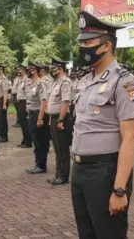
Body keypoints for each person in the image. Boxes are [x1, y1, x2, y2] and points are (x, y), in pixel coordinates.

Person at [71, 11, 134, 239]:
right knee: (87, 234)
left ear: (106, 45)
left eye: (88, 42)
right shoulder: (86, 80)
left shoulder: (123, 81)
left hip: (105, 172)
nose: (83, 47)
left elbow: (130, 138)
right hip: (80, 170)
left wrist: (119, 189)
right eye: (81, 42)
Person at [47, 57, 73, 186]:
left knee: (63, 148)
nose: (52, 70)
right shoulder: (55, 82)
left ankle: (63, 176)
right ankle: (58, 173)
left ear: (60, 69)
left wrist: (61, 120)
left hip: (61, 118)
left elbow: (65, 102)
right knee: (57, 148)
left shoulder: (65, 82)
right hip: (54, 118)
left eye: (54, 68)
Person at [26, 61, 50, 174]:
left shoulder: (41, 84)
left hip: (37, 114)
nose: (27, 71)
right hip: (32, 113)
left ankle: (41, 165)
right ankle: (38, 163)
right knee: (35, 140)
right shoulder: (31, 84)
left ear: (35, 70)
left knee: (40, 141)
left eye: (29, 69)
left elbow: (43, 101)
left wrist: (40, 118)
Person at [16, 65, 32, 148]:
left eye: (19, 70)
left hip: (24, 102)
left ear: (23, 70)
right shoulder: (20, 80)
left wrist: (27, 106)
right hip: (20, 103)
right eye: (17, 70)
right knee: (22, 123)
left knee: (25, 123)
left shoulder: (27, 80)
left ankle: (28, 141)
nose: (18, 71)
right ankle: (24, 139)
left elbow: (28, 94)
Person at [0, 64, 10, 142]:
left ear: (1, 69)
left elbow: (5, 92)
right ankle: (1, 135)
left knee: (2, 119)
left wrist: (4, 104)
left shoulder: (4, 79)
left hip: (2, 99)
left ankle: (4, 136)